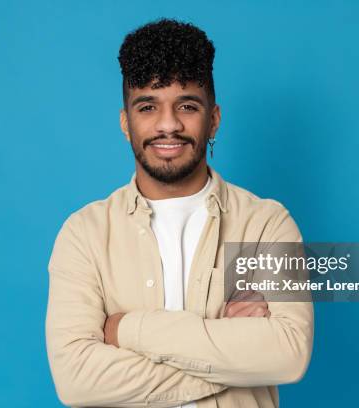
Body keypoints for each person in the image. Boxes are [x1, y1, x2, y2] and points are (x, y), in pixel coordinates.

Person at [45, 18, 313, 407]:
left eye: (186, 106)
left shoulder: (266, 224)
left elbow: (288, 353)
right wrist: (229, 356)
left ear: (214, 119)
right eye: (148, 106)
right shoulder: (84, 234)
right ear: (126, 122)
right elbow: (76, 380)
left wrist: (126, 330)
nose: (168, 125)